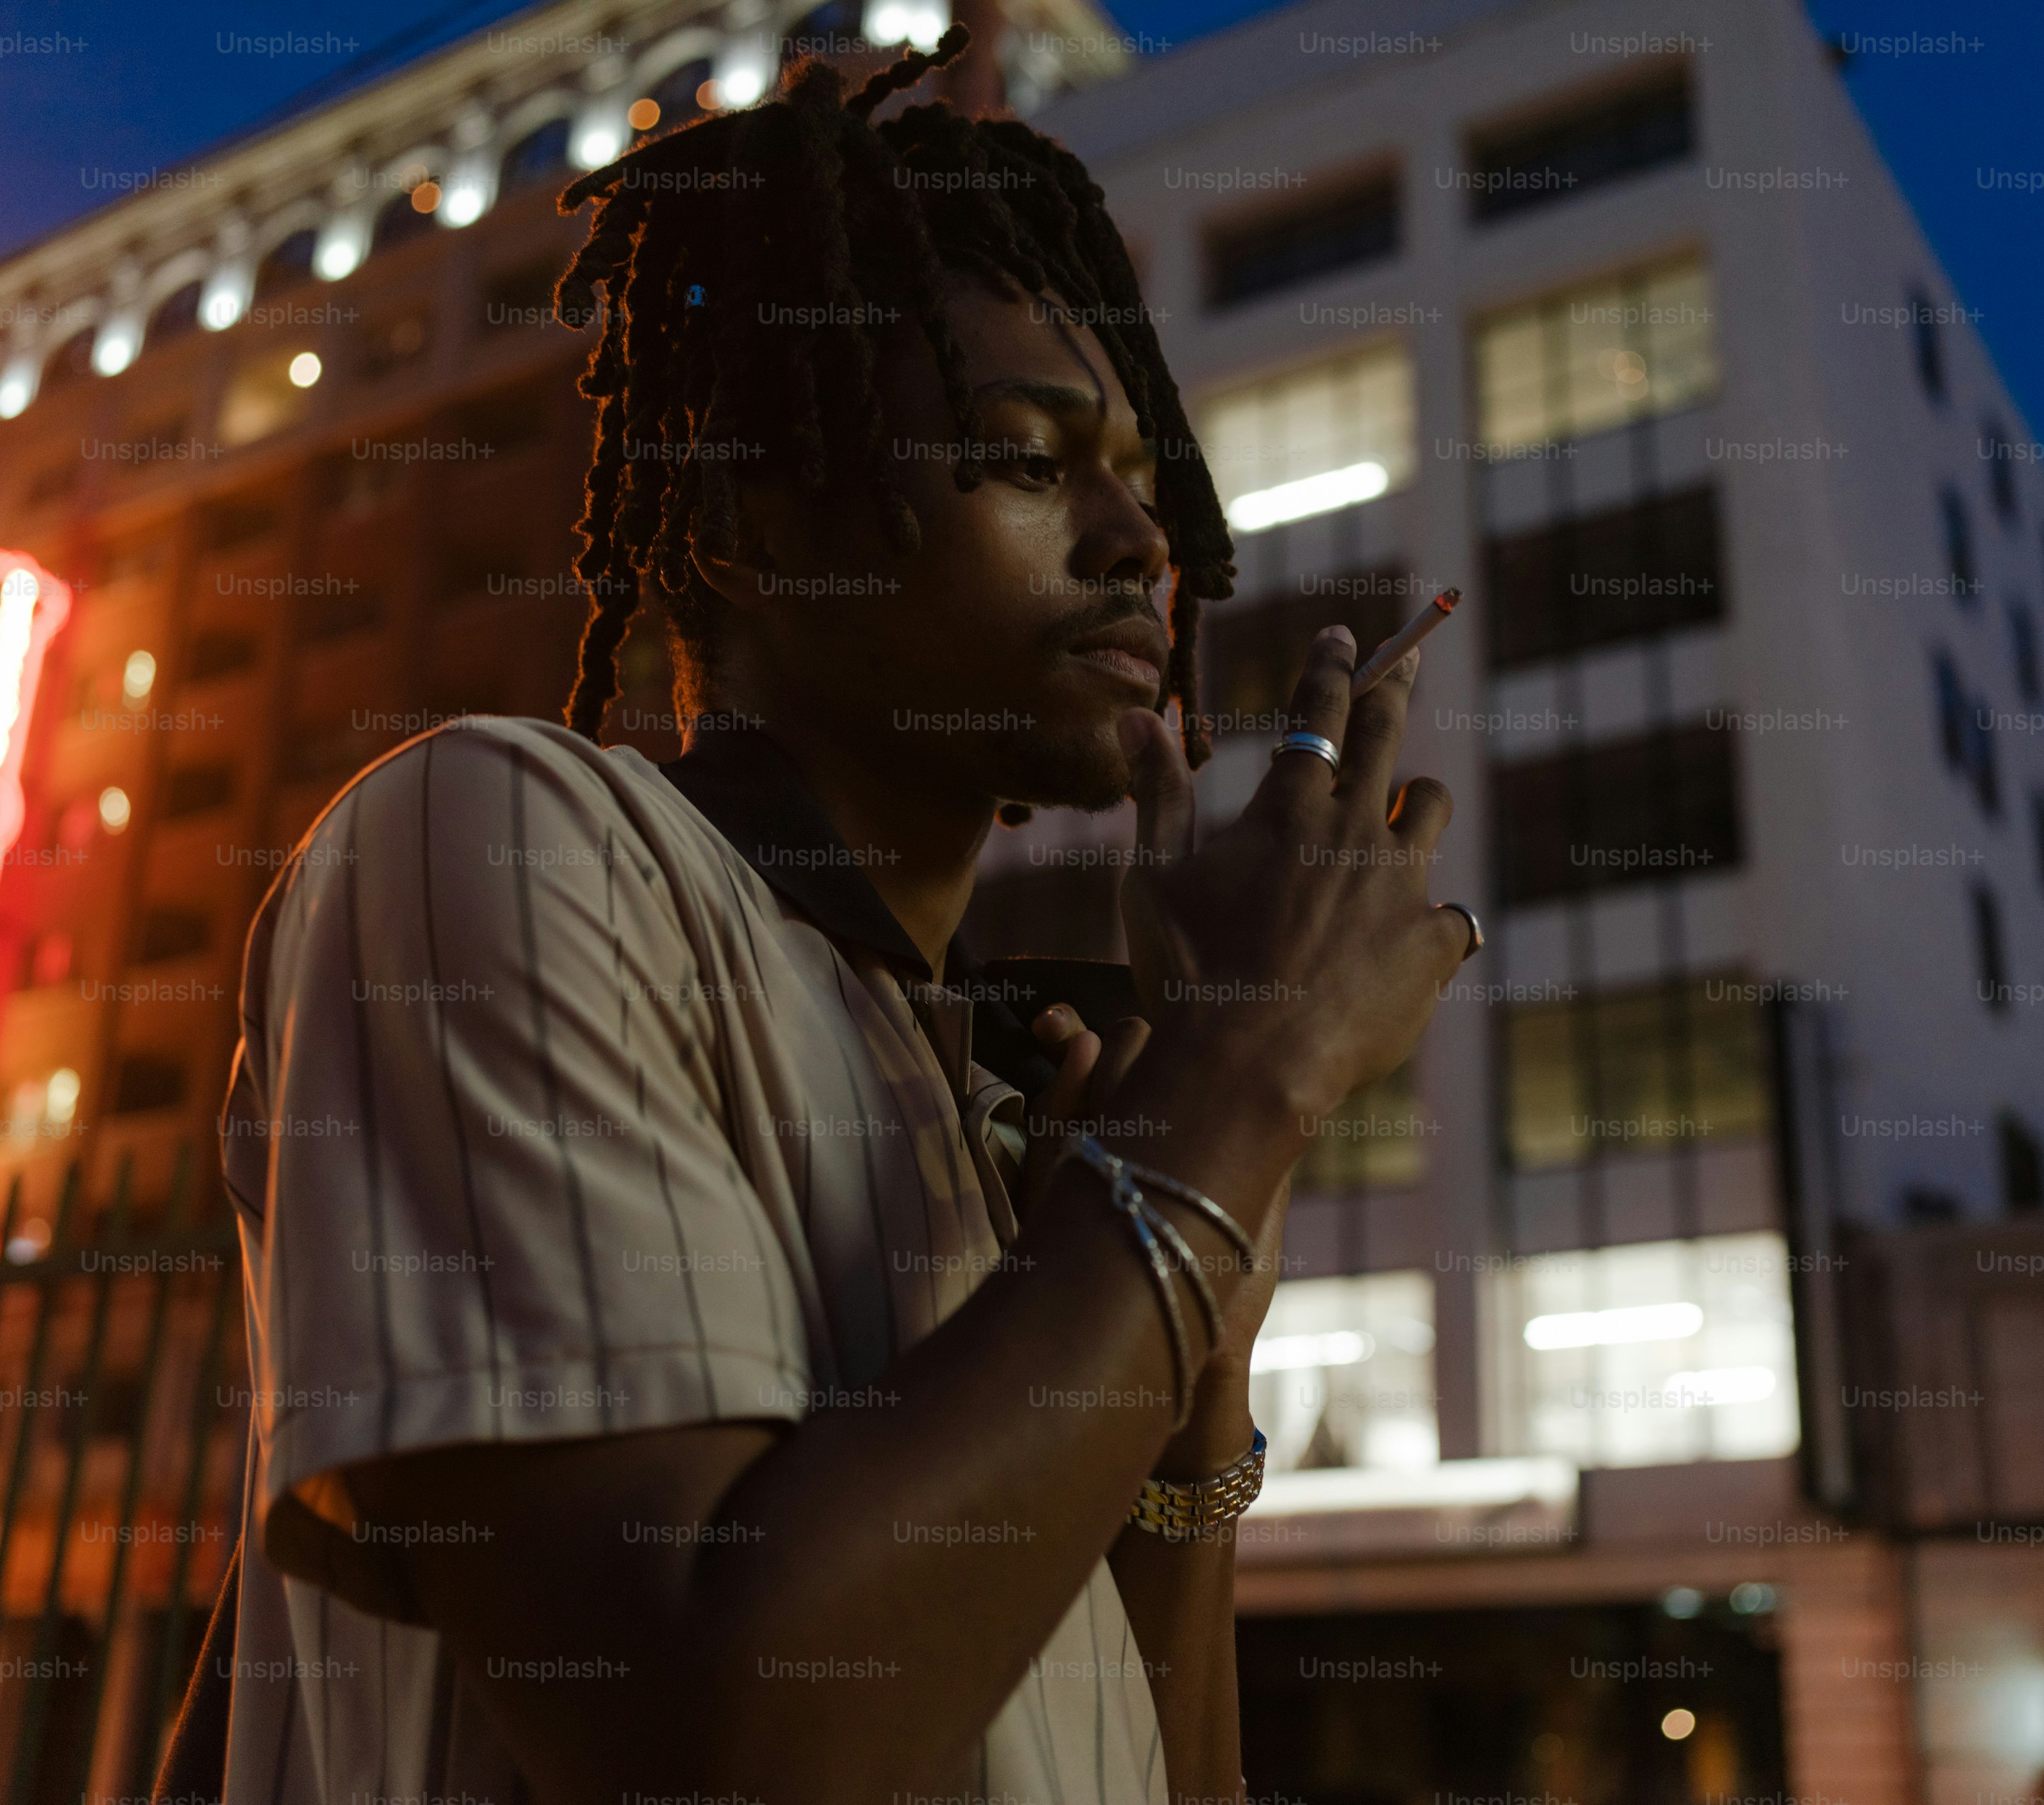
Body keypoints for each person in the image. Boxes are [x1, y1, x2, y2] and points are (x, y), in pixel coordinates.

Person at [215, 28, 1473, 1805]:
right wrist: (1237, 1088)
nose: (1141, 542)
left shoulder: (1025, 1140)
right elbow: (710, 1732)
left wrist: (1201, 1322)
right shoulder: (496, 836)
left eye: (1137, 474)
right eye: (1030, 461)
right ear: (749, 523)